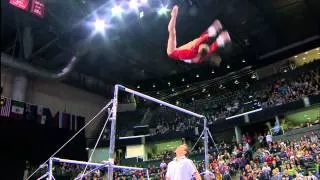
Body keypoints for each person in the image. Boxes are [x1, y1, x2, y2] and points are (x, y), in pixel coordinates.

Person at [167, 5, 231, 64]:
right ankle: (215, 37)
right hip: (189, 56)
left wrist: (213, 32)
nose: (204, 44)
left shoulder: (194, 51)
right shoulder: (202, 55)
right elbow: (210, 47)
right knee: (203, 46)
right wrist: (220, 39)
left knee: (172, 33)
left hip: (173, 53)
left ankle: (173, 16)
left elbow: (201, 40)